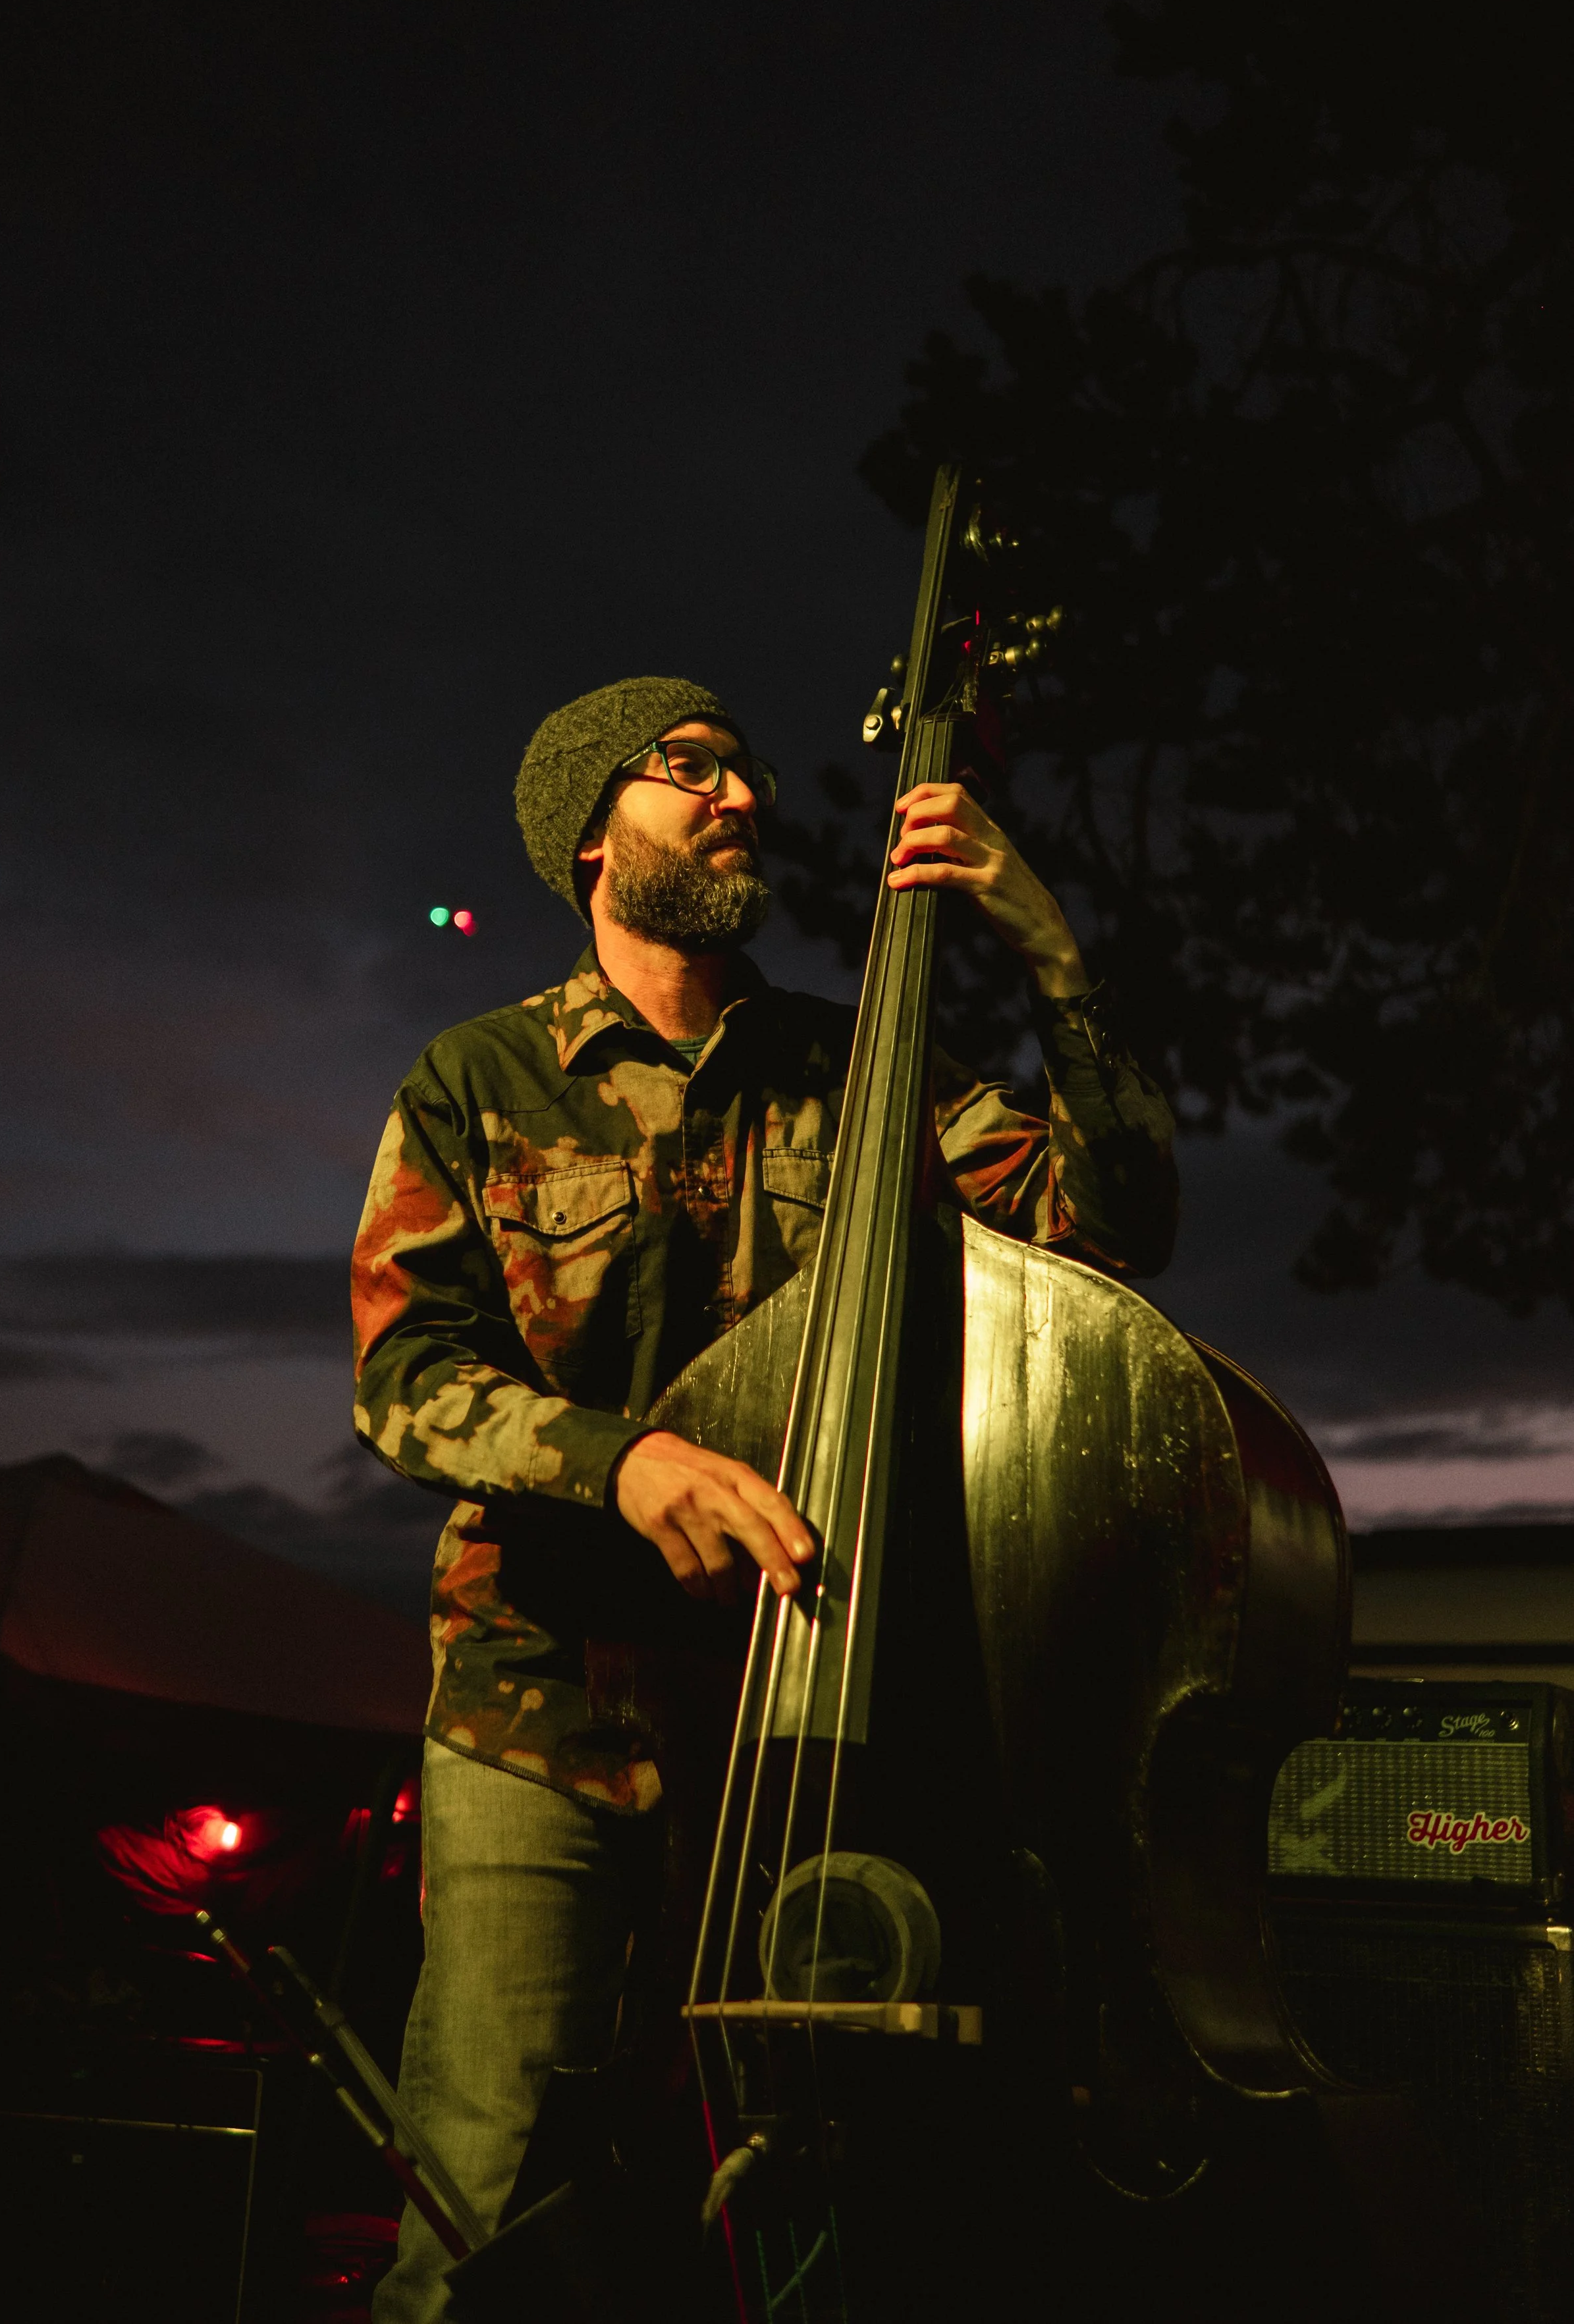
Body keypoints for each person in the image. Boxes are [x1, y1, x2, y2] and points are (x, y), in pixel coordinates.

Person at [356, 675, 1177, 2321]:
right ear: (592, 836)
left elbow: (1115, 1224)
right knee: (487, 2191)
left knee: (810, 2198)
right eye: (687, 769)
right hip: (543, 1709)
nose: (739, 795)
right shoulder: (479, 1077)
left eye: (743, 770)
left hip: (806, 1718)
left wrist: (1048, 949)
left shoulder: (861, 1065)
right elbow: (405, 1378)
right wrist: (622, 1461)